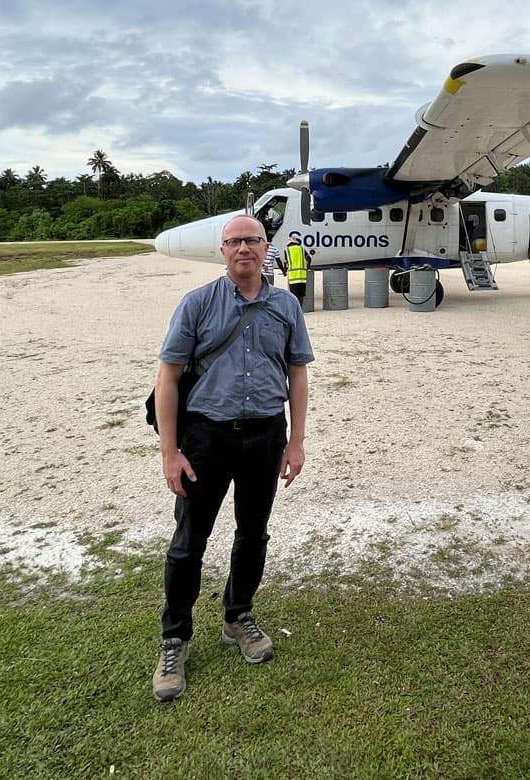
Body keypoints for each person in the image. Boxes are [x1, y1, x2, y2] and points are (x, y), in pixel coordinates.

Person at [151, 215, 314, 702]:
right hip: (205, 439)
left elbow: (297, 376)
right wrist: (170, 453)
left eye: (253, 240)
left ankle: (237, 615)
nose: (244, 248)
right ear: (222, 251)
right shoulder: (197, 304)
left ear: (268, 248)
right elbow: (168, 377)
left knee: (253, 532)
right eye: (234, 241)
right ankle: (175, 638)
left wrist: (297, 441)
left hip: (265, 435)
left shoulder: (286, 305)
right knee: (188, 541)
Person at [284, 237, 308, 307]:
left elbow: (286, 262)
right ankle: (300, 310)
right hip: (302, 276)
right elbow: (309, 258)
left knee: (293, 295)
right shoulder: (302, 249)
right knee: (301, 295)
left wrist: (284, 271)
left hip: (293, 277)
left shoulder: (287, 250)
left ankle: (295, 310)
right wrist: (307, 266)